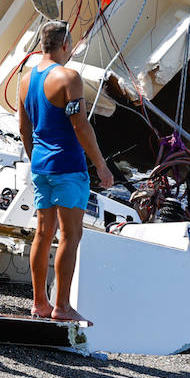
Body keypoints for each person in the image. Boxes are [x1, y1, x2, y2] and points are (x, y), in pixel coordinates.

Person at [16, 20, 115, 322]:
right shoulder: (69, 78)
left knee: (43, 234)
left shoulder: (25, 79)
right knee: (71, 236)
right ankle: (61, 307)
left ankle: (39, 303)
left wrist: (37, 159)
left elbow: (23, 128)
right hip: (68, 166)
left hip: (41, 165)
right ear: (65, 46)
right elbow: (80, 126)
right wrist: (101, 164)